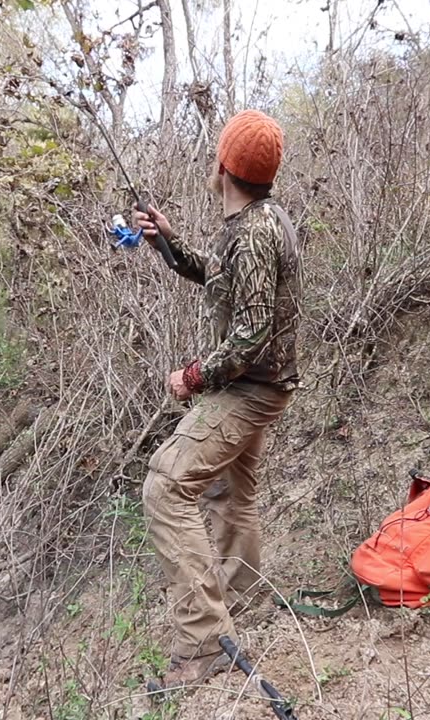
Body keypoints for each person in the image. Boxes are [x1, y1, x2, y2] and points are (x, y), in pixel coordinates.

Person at [131, 109, 302, 688]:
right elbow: (222, 278)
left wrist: (193, 377)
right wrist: (168, 244)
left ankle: (204, 645)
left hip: (248, 389)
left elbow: (251, 332)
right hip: (262, 385)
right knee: (233, 490)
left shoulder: (254, 233)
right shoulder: (260, 219)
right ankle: (240, 600)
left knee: (164, 483)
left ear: (224, 166)